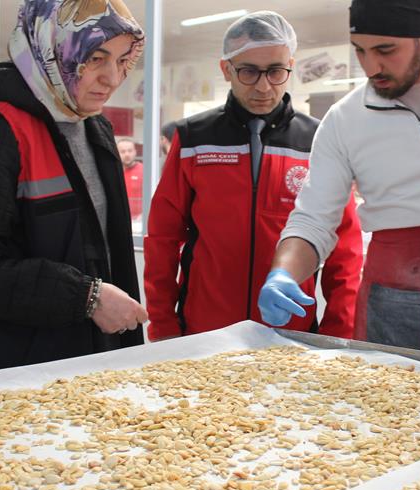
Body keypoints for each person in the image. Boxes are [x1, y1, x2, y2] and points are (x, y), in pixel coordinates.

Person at [259, 0, 420, 354]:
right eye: (360, 51)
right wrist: (283, 273)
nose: (371, 66)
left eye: (386, 50)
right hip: (392, 297)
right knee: (393, 403)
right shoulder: (345, 119)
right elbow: (313, 220)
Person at [0, 0, 148, 377]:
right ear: (52, 47)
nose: (112, 78)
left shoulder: (94, 126)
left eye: (122, 60)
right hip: (9, 364)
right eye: (95, 58)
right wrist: (88, 297)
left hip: (82, 356)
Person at [145, 11, 364, 340]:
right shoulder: (193, 138)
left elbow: (344, 249)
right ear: (226, 69)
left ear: (290, 65)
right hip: (204, 331)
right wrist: (162, 324)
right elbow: (163, 239)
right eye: (249, 71)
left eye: (276, 71)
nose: (263, 87)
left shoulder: (318, 141)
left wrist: (337, 333)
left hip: (290, 334)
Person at [117, 138, 144, 219]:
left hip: (139, 220)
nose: (127, 154)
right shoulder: (114, 173)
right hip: (121, 219)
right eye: (123, 151)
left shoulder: (144, 171)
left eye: (130, 151)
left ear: (135, 152)